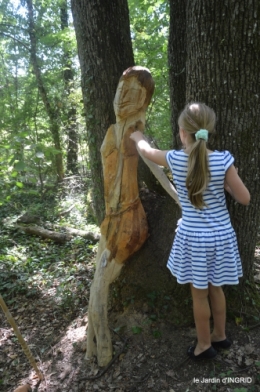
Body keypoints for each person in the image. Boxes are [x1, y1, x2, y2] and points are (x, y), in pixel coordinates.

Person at [130, 102, 250, 361]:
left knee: (199, 295)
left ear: (183, 132)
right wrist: (230, 182)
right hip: (221, 238)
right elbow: (244, 199)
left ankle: (204, 346)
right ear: (209, 130)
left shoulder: (175, 158)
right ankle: (220, 335)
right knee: (217, 289)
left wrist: (137, 136)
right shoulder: (223, 160)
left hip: (194, 239)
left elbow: (147, 152)